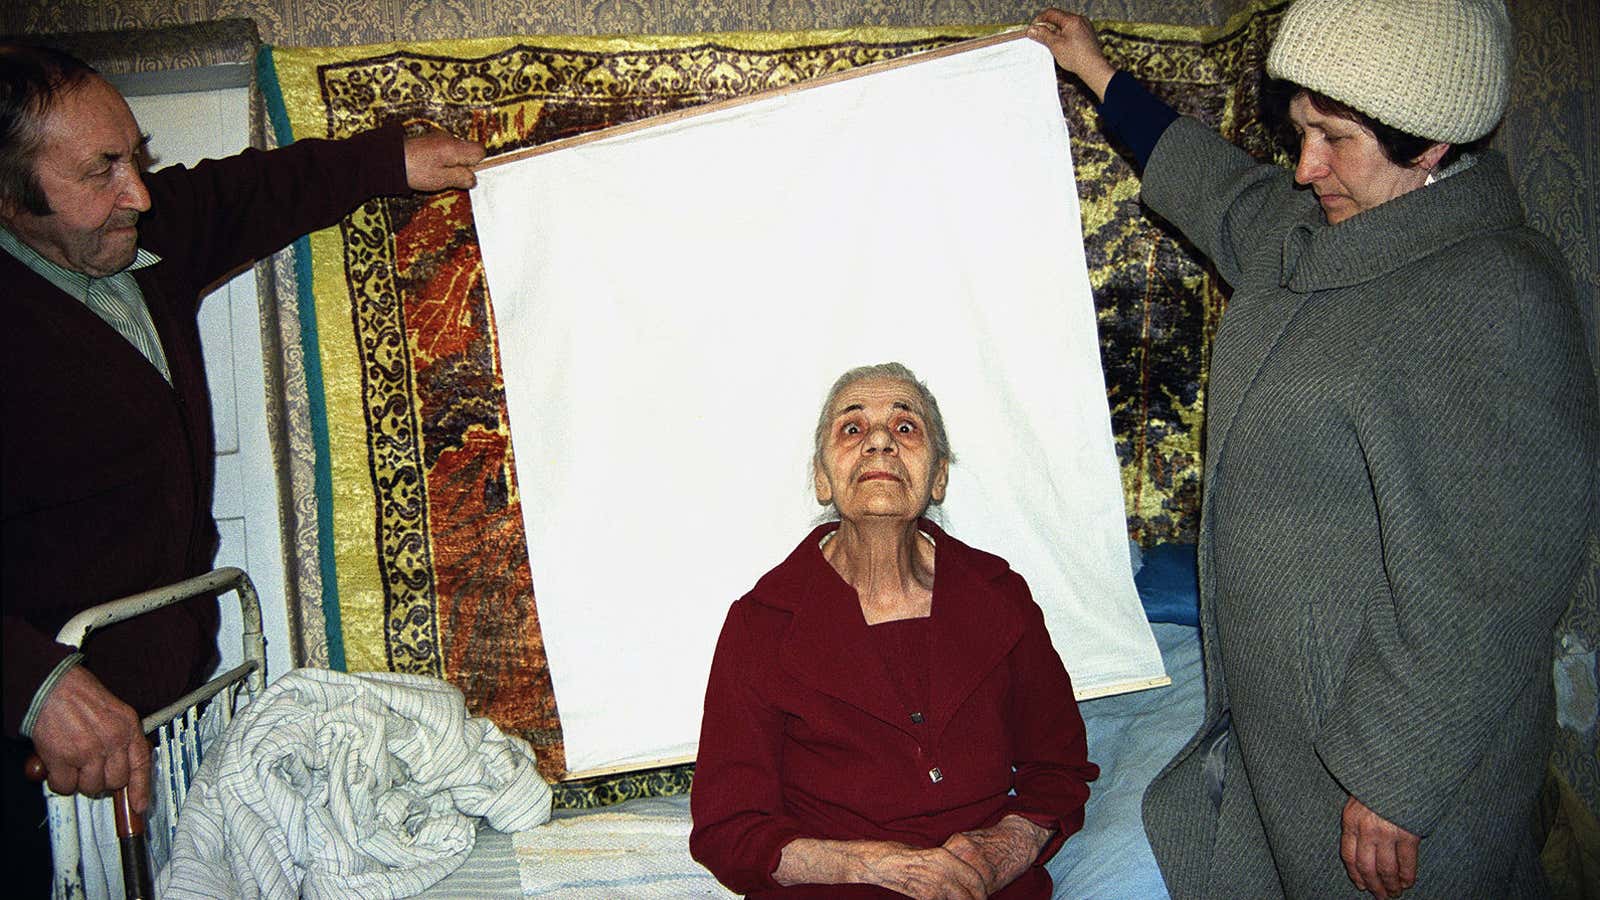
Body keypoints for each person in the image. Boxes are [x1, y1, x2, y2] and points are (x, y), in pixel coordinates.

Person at [1029, 1, 1598, 898]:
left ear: (1432, 145)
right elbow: (1220, 188)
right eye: (1301, 129)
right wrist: (1097, 72)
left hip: (1387, 790)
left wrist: (1396, 776)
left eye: (1335, 138)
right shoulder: (1318, 235)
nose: (1306, 166)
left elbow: (1493, 577)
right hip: (1285, 757)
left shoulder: (1493, 294)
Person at [0, 40, 485, 893]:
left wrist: (386, 161)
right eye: (101, 171)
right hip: (36, 764)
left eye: (136, 156)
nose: (138, 194)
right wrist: (35, 684)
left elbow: (243, 193)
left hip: (160, 730)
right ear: (8, 199)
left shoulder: (139, 242)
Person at [689, 362, 1100, 899]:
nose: (880, 441)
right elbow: (730, 829)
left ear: (939, 476)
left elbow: (1058, 771)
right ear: (822, 477)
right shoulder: (762, 622)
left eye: (906, 428)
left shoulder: (1000, 597)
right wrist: (871, 865)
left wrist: (995, 856)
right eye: (852, 428)